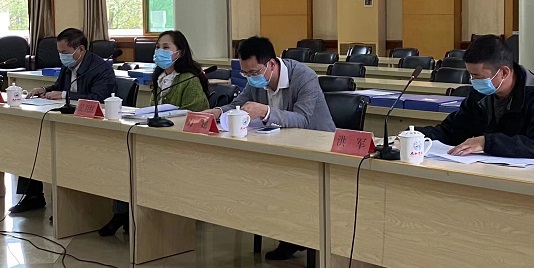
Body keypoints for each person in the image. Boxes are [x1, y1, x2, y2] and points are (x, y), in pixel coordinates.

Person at [203, 36, 335, 260]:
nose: (250, 77)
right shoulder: (256, 78)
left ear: (271, 64)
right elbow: (239, 104)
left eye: (253, 72)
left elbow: (303, 119)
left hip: (316, 145)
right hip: (279, 143)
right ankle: (285, 232)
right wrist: (217, 112)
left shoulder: (304, 77)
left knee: (286, 182)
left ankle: (297, 236)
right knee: (262, 179)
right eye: (245, 73)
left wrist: (265, 111)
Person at [98, 30, 209, 236]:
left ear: (180, 52)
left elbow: (197, 114)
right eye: (158, 47)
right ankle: (122, 212)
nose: (159, 51)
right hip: (158, 137)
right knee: (125, 158)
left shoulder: (189, 79)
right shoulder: (160, 77)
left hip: (181, 144)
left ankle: (133, 214)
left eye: (166, 47)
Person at [10, 28, 117, 214]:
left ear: (80, 49)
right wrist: (44, 90)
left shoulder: (100, 68)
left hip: (91, 125)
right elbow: (58, 87)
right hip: (67, 118)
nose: (61, 56)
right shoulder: (69, 65)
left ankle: (72, 210)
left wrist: (64, 95)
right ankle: (33, 195)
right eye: (59, 52)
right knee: (33, 138)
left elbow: (98, 98)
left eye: (65, 52)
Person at [417, 35, 534, 159]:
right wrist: (416, 135)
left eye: (477, 76)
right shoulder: (479, 95)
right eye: (470, 75)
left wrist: (487, 142)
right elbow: (452, 131)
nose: (472, 81)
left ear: (504, 72)